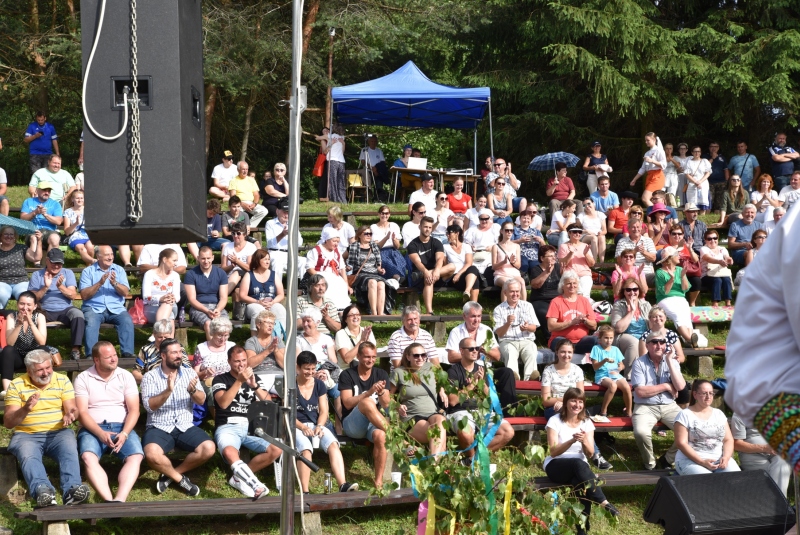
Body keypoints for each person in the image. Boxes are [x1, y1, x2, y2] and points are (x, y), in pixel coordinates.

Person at [3, 350, 90, 507]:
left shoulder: (62, 380)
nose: (45, 373)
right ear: (29, 370)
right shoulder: (17, 385)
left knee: (69, 448)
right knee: (29, 455)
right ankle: (43, 492)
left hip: (58, 433)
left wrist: (70, 414)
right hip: (26, 435)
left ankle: (72, 491)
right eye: (40, 370)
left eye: (48, 368)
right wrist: (26, 408)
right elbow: (8, 422)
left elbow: (71, 408)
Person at [140, 338, 216, 496]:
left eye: (180, 352)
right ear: (163, 355)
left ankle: (170, 475)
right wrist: (168, 390)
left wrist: (193, 391)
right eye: (174, 352)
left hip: (185, 425)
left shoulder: (189, 373)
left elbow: (201, 399)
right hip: (159, 426)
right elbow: (150, 406)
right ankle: (180, 479)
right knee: (151, 454)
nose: (179, 355)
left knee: (208, 448)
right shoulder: (150, 377)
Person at [543, 387, 619, 535]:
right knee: (578, 464)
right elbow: (553, 451)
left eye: (580, 402)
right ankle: (604, 503)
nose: (577, 405)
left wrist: (584, 441)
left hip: (580, 468)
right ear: (565, 403)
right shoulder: (554, 421)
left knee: (580, 482)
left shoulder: (586, 423)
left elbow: (590, 454)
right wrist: (572, 440)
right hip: (556, 465)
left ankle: (582, 530)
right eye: (573, 401)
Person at [74, 341, 143, 502]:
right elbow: (82, 413)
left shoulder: (125, 376)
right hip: (92, 428)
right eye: (108, 357)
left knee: (136, 456)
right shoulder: (83, 378)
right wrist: (100, 433)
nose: (114, 359)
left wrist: (125, 433)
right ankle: (108, 500)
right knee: (88, 457)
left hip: (122, 426)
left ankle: (120, 499)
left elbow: (134, 410)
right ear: (96, 360)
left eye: (114, 355)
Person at [212, 345, 281, 498]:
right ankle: (255, 485)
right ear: (229, 361)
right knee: (230, 451)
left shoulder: (254, 378)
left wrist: (254, 386)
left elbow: (268, 403)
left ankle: (238, 477)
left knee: (276, 449)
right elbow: (223, 403)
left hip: (252, 427)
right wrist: (239, 381)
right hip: (228, 425)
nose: (241, 364)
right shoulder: (220, 379)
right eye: (237, 361)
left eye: (244, 360)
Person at [295, 351, 358, 493]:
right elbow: (287, 414)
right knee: (305, 449)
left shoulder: (319, 385)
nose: (310, 372)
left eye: (313, 369)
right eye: (306, 369)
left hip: (316, 424)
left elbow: (323, 411)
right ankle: (305, 490)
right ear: (298, 368)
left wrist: (319, 425)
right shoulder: (290, 386)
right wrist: (302, 427)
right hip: (296, 425)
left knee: (333, 444)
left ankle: (343, 484)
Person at [447, 338, 515, 458]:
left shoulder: (482, 369)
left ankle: (475, 457)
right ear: (462, 351)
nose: (475, 351)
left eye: (477, 348)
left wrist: (482, 383)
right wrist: (472, 383)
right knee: (466, 434)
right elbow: (452, 401)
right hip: (460, 411)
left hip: (482, 411)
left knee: (508, 432)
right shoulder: (453, 371)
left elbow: (490, 398)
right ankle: (471, 460)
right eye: (471, 349)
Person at [631, 331, 687, 470]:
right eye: (654, 342)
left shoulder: (672, 361)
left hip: (669, 406)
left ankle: (667, 460)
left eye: (662, 342)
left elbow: (680, 386)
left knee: (690, 429)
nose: (659, 345)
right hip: (645, 406)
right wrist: (666, 386)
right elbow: (641, 392)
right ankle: (650, 465)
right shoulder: (639, 363)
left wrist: (669, 361)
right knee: (641, 432)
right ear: (647, 345)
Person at [339, 342, 390, 487]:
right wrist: (369, 393)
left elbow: (386, 404)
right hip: (353, 424)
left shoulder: (381, 373)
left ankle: (378, 481)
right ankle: (398, 439)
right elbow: (347, 403)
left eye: (374, 357)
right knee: (367, 402)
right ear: (358, 356)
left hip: (375, 422)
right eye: (367, 357)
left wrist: (380, 393)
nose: (371, 360)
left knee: (381, 436)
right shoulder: (347, 374)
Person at [389, 343, 448, 457]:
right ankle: (436, 465)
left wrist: (441, 390)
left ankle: (433, 462)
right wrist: (397, 405)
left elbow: (440, 381)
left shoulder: (431, 367)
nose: (420, 358)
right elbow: (388, 396)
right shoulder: (399, 372)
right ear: (408, 357)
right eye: (416, 355)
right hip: (412, 416)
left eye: (423, 355)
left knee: (441, 420)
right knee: (437, 432)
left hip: (433, 412)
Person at [673, 380, 740, 475]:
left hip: (719, 460)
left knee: (738, 479)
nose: (708, 397)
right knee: (707, 483)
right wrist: (701, 462)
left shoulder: (719, 414)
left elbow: (728, 440)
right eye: (704, 393)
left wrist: (726, 457)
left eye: (711, 393)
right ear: (695, 394)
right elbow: (681, 443)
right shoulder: (684, 415)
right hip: (690, 461)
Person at [28, 248, 84, 360]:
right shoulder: (37, 275)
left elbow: (73, 295)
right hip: (44, 309)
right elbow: (33, 298)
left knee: (78, 315)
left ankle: (75, 349)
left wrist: (60, 286)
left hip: (65, 309)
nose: (57, 266)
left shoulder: (68, 273)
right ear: (47, 261)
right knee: (33, 317)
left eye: (60, 264)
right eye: (54, 263)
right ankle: (36, 348)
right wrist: (46, 287)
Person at [80, 245, 135, 358]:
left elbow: (125, 292)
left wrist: (115, 283)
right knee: (91, 322)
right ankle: (91, 355)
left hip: (116, 308)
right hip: (94, 308)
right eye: (107, 255)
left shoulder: (119, 270)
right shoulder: (88, 271)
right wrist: (99, 283)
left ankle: (127, 353)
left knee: (126, 320)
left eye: (112, 254)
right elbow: (84, 295)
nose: (110, 257)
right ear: (98, 256)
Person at [0, 291, 58, 395]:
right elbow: (10, 342)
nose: (25, 307)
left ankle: (44, 387)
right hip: (17, 356)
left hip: (34, 357)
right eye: (22, 304)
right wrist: (19, 325)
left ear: (35, 306)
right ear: (17, 304)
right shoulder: (12, 317)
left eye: (28, 304)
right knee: (7, 350)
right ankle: (7, 390)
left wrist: (30, 323)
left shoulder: (39, 317)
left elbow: (42, 341)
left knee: (44, 349)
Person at [730, 412, 790, 496]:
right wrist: (764, 448)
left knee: (783, 464)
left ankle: (779, 505)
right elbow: (737, 444)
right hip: (751, 453)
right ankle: (778, 506)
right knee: (765, 475)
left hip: (776, 450)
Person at [493, 280, 540, 381]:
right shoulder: (498, 309)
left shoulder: (527, 306)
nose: (515, 294)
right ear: (505, 293)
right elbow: (499, 333)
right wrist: (507, 323)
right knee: (510, 353)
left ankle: (531, 380)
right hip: (507, 341)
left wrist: (527, 327)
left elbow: (534, 328)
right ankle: (513, 379)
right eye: (512, 291)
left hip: (526, 340)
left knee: (531, 351)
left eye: (517, 291)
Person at [546, 270, 598, 354]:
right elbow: (551, 326)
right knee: (564, 344)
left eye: (574, 283)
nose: (572, 286)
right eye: (569, 283)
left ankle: (600, 366)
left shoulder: (584, 301)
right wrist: (572, 322)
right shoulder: (556, 302)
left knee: (596, 340)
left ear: (578, 285)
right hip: (560, 339)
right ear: (562, 286)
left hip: (580, 341)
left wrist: (585, 320)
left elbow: (594, 326)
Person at [609, 277, 651, 379]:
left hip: (643, 337)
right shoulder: (619, 305)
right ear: (624, 292)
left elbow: (652, 326)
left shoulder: (645, 305)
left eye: (635, 289)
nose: (632, 292)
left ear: (639, 290)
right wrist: (631, 311)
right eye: (628, 290)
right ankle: (630, 377)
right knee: (635, 342)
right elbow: (618, 328)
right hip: (623, 337)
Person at [655, 246, 698, 347]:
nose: (679, 256)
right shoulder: (659, 272)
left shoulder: (680, 269)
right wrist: (672, 279)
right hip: (665, 299)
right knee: (677, 315)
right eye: (676, 254)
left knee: (686, 316)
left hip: (680, 298)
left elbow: (685, 289)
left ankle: (690, 340)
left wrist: (682, 276)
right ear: (670, 258)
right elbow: (665, 292)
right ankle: (690, 339)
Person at [184, 246, 229, 340]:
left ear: (212, 257)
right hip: (198, 307)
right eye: (203, 258)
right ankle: (212, 350)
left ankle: (224, 350)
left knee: (225, 324)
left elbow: (224, 297)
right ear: (198, 258)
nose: (206, 261)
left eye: (208, 258)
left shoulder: (221, 273)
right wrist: (206, 311)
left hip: (216, 306)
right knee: (208, 323)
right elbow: (192, 299)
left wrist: (218, 309)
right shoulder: (191, 274)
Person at [239, 249, 286, 334]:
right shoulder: (249, 275)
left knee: (280, 309)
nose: (267, 262)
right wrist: (258, 302)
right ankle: (255, 341)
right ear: (257, 260)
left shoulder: (274, 274)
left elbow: (281, 294)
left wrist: (273, 302)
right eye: (265, 259)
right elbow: (242, 295)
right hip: (254, 303)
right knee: (259, 310)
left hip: (271, 303)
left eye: (268, 259)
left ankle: (278, 339)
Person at [408, 217, 448, 315]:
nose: (428, 229)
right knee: (428, 280)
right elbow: (417, 262)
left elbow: (440, 259)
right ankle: (429, 311)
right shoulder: (413, 245)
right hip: (419, 276)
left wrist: (437, 270)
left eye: (430, 227)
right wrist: (426, 272)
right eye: (425, 227)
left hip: (436, 274)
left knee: (451, 266)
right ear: (420, 227)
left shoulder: (437, 242)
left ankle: (430, 274)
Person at [345, 226, 388, 316]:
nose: (369, 235)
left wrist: (380, 269)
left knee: (381, 284)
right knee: (372, 282)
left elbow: (378, 262)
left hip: (374, 273)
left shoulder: (374, 246)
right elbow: (344, 259)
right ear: (360, 235)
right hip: (361, 274)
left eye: (370, 234)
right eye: (366, 233)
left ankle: (380, 313)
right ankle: (373, 312)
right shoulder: (353, 246)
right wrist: (347, 267)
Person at [591, 325, 632, 417]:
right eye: (606, 338)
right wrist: (604, 360)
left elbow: (622, 365)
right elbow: (595, 367)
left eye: (611, 338)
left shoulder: (615, 349)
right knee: (613, 386)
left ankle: (629, 412)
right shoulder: (596, 349)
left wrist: (619, 368)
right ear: (600, 338)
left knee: (627, 387)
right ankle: (603, 411)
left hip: (615, 374)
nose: (609, 340)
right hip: (602, 375)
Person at [132, 320, 191, 384]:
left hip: (176, 383)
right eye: (160, 337)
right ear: (154, 334)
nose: (163, 340)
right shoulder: (146, 349)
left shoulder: (178, 348)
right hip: (152, 384)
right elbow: (136, 372)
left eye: (166, 337)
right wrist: (149, 380)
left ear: (171, 334)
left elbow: (188, 369)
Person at [305, 227, 351, 310]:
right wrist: (320, 279)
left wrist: (346, 284)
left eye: (338, 242)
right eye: (334, 241)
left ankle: (339, 308)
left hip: (335, 277)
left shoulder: (337, 252)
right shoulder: (316, 250)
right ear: (326, 240)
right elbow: (309, 267)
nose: (336, 244)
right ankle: (327, 307)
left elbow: (342, 268)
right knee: (328, 285)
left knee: (341, 285)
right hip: (319, 275)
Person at [193, 317, 236, 400]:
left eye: (226, 335)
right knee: (214, 392)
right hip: (209, 383)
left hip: (229, 381)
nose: (223, 339)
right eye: (219, 335)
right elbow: (194, 375)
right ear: (212, 333)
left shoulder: (232, 346)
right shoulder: (201, 348)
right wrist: (205, 372)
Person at [387, 305, 440, 371]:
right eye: (409, 319)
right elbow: (398, 366)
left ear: (419, 320)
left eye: (415, 319)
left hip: (425, 375)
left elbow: (434, 360)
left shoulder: (427, 336)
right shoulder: (396, 337)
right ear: (403, 321)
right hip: (403, 376)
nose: (413, 322)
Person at [245, 310, 286, 394]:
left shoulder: (278, 341)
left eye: (273, 323)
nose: (271, 325)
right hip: (259, 376)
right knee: (258, 397)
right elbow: (250, 363)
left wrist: (276, 350)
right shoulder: (251, 341)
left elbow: (284, 364)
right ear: (259, 325)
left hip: (278, 375)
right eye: (267, 322)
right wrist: (268, 350)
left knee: (286, 395)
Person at [221, 221, 257, 317]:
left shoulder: (251, 247)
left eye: (238, 233)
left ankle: (220, 301)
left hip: (247, 277)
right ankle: (238, 318)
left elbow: (250, 268)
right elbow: (223, 268)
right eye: (233, 233)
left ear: (244, 234)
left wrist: (237, 262)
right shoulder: (227, 247)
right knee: (237, 291)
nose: (235, 236)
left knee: (237, 272)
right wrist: (231, 266)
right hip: (230, 278)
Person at [0, 226, 40, 308]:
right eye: (6, 234)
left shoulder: (21, 248)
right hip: (2, 281)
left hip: (21, 281)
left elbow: (36, 258)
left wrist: (39, 241)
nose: (9, 236)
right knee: (1, 294)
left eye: (11, 234)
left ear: (15, 236)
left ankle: (25, 318)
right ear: (1, 236)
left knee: (25, 296)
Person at [528, 245, 561, 344]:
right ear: (542, 258)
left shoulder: (558, 267)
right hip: (540, 299)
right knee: (544, 313)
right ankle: (550, 339)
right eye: (550, 256)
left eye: (554, 255)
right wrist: (547, 272)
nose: (553, 257)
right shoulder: (536, 269)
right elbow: (535, 285)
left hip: (556, 299)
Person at [263, 199, 303, 277]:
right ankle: (278, 287)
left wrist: (294, 233)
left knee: (304, 261)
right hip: (275, 253)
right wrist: (282, 234)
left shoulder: (293, 223)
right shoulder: (270, 223)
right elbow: (270, 244)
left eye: (288, 213)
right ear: (277, 211)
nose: (286, 215)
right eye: (284, 212)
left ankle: (305, 287)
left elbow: (299, 243)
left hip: (290, 254)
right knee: (277, 262)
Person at [141, 248, 181, 324]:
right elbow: (146, 297)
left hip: (171, 305)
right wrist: (160, 299)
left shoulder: (175, 275)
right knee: (170, 317)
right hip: (152, 307)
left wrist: (171, 298)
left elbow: (177, 297)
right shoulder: (149, 274)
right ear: (165, 259)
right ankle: (165, 334)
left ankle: (158, 332)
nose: (176, 264)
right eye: (174, 260)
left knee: (167, 304)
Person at [443, 224, 482, 301]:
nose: (447, 235)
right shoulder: (445, 247)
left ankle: (467, 291)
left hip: (465, 273)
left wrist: (459, 273)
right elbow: (445, 265)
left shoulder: (466, 246)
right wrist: (455, 274)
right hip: (453, 277)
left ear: (457, 233)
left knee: (472, 268)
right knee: (475, 281)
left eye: (449, 233)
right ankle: (473, 305)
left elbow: (469, 263)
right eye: (446, 233)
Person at [20, 182, 63, 251]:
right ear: (37, 190)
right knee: (34, 238)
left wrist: (46, 215)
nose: (47, 192)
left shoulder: (55, 204)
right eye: (44, 190)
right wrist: (35, 212)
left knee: (55, 238)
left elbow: (58, 221)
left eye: (49, 191)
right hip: (32, 231)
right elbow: (22, 218)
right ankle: (36, 261)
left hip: (49, 231)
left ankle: (50, 261)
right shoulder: (28, 201)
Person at [558, 223, 595, 299]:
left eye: (580, 232)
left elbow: (592, 264)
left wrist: (586, 254)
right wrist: (570, 253)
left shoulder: (585, 246)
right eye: (575, 232)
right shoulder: (563, 246)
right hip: (570, 275)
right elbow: (563, 263)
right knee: (575, 295)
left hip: (585, 274)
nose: (577, 234)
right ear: (569, 233)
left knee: (585, 296)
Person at [630, 132, 666, 207]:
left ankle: (657, 213)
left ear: (654, 140)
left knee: (645, 198)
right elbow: (643, 168)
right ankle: (658, 214)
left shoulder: (658, 150)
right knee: (654, 199)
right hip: (649, 176)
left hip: (657, 176)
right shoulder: (647, 153)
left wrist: (652, 161)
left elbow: (664, 165)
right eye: (645, 140)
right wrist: (634, 179)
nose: (646, 142)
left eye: (648, 140)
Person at [371, 205, 405, 284]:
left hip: (393, 250)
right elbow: (376, 246)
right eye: (382, 213)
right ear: (379, 214)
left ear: (389, 214)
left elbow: (397, 246)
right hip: (380, 251)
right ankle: (397, 278)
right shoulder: (374, 227)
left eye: (387, 213)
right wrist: (386, 238)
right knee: (385, 261)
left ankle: (395, 280)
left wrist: (393, 240)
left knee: (400, 262)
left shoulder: (394, 225)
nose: (384, 215)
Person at [615, 220, 656, 286]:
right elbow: (619, 261)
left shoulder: (648, 240)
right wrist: (634, 251)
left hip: (647, 274)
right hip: (629, 274)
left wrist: (644, 252)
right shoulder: (622, 241)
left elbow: (653, 258)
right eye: (633, 227)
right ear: (628, 229)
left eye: (638, 227)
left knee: (660, 276)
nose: (636, 229)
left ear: (641, 228)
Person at [228, 161, 269, 228]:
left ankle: (249, 227)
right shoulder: (233, 181)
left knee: (264, 211)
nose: (245, 171)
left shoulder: (251, 180)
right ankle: (237, 227)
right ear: (238, 170)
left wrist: (254, 204)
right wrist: (242, 204)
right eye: (243, 169)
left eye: (246, 169)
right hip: (238, 203)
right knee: (236, 211)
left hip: (251, 203)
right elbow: (233, 196)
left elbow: (256, 195)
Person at [334, 305, 376, 369]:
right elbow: (346, 359)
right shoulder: (340, 334)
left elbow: (373, 355)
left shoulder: (366, 331)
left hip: (364, 370)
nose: (355, 317)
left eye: (357, 314)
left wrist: (367, 341)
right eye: (351, 315)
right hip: (347, 371)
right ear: (345, 319)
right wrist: (361, 341)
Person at [492, 221, 526, 300]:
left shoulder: (516, 246)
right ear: (501, 231)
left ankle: (524, 307)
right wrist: (503, 262)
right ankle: (504, 309)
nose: (509, 232)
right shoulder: (496, 246)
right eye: (507, 230)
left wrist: (513, 262)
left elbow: (518, 266)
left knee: (522, 282)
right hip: (500, 274)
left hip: (514, 273)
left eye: (511, 230)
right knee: (506, 283)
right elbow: (494, 266)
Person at [700, 230, 734, 307]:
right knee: (717, 280)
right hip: (707, 275)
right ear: (705, 240)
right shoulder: (704, 249)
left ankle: (728, 303)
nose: (713, 240)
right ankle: (715, 304)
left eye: (715, 238)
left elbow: (727, 257)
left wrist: (729, 260)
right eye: (709, 239)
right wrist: (719, 261)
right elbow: (708, 258)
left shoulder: (722, 249)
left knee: (726, 279)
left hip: (721, 273)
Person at [61, 189, 94, 265]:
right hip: (75, 236)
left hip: (88, 234)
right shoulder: (68, 212)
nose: (80, 200)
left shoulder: (89, 210)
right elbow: (67, 232)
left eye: (81, 198)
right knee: (82, 249)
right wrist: (76, 223)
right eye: (77, 198)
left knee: (90, 247)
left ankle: (89, 266)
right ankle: (93, 262)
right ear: (72, 199)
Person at [463, 210, 499, 275]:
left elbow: (500, 242)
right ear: (479, 219)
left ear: (489, 218)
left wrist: (493, 247)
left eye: (486, 219)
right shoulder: (473, 229)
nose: (484, 221)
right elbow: (466, 242)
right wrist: (470, 246)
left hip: (490, 253)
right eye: (481, 219)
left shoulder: (495, 227)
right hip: (476, 254)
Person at [684, 145, 712, 213]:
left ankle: (702, 217)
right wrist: (695, 182)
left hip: (703, 183)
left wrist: (700, 181)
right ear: (692, 152)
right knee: (692, 202)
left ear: (700, 152)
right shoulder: (689, 162)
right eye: (695, 151)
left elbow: (708, 173)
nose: (697, 153)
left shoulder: (705, 161)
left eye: (698, 151)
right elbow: (687, 174)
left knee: (703, 200)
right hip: (692, 183)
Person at [703, 141, 728, 211]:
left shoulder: (722, 158)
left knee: (719, 201)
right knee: (708, 200)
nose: (714, 148)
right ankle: (707, 215)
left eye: (715, 147)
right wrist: (713, 158)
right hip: (709, 182)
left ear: (718, 148)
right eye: (712, 147)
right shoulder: (704, 157)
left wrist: (727, 181)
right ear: (709, 148)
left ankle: (717, 216)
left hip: (721, 182)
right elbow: (704, 166)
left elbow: (726, 170)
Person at [314, 128, 330, 202]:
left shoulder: (332, 137)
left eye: (327, 130)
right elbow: (324, 151)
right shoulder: (323, 140)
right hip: (325, 160)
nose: (326, 132)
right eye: (324, 131)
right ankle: (322, 196)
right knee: (324, 178)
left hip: (332, 160)